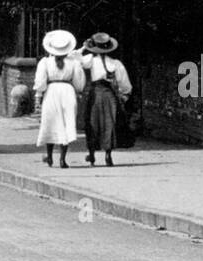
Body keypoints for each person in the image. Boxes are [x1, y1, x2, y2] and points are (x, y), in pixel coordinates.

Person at [78, 32, 133, 166]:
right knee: (109, 123)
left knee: (92, 122)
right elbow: (124, 83)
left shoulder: (90, 59)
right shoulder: (115, 63)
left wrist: (83, 48)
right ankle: (108, 155)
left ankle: (91, 154)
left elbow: (74, 58)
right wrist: (125, 93)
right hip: (109, 94)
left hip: (95, 94)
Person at [34, 29, 87, 167]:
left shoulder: (45, 62)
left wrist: (39, 96)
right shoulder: (73, 62)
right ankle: (63, 159)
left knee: (50, 122)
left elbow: (40, 82)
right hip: (67, 92)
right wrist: (77, 91)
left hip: (51, 92)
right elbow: (78, 82)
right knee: (66, 123)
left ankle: (50, 156)